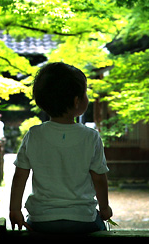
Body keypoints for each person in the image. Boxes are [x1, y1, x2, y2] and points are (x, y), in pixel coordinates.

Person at [9, 62, 112, 234]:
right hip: (83, 219)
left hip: (42, 220)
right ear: (77, 101)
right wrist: (105, 208)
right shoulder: (91, 137)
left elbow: (20, 176)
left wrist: (15, 210)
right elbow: (99, 178)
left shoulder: (34, 135)